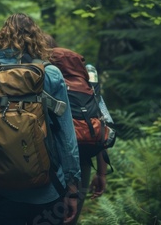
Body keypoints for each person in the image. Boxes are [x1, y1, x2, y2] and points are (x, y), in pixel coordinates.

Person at [0, 13, 81, 225]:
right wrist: (73, 188)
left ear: (1, 37)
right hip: (48, 190)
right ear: (36, 37)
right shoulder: (51, 74)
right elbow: (66, 136)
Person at [45, 34, 109, 225]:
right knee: (68, 220)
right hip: (82, 164)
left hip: (45, 166)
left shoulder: (38, 76)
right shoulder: (84, 83)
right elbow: (101, 123)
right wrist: (102, 173)